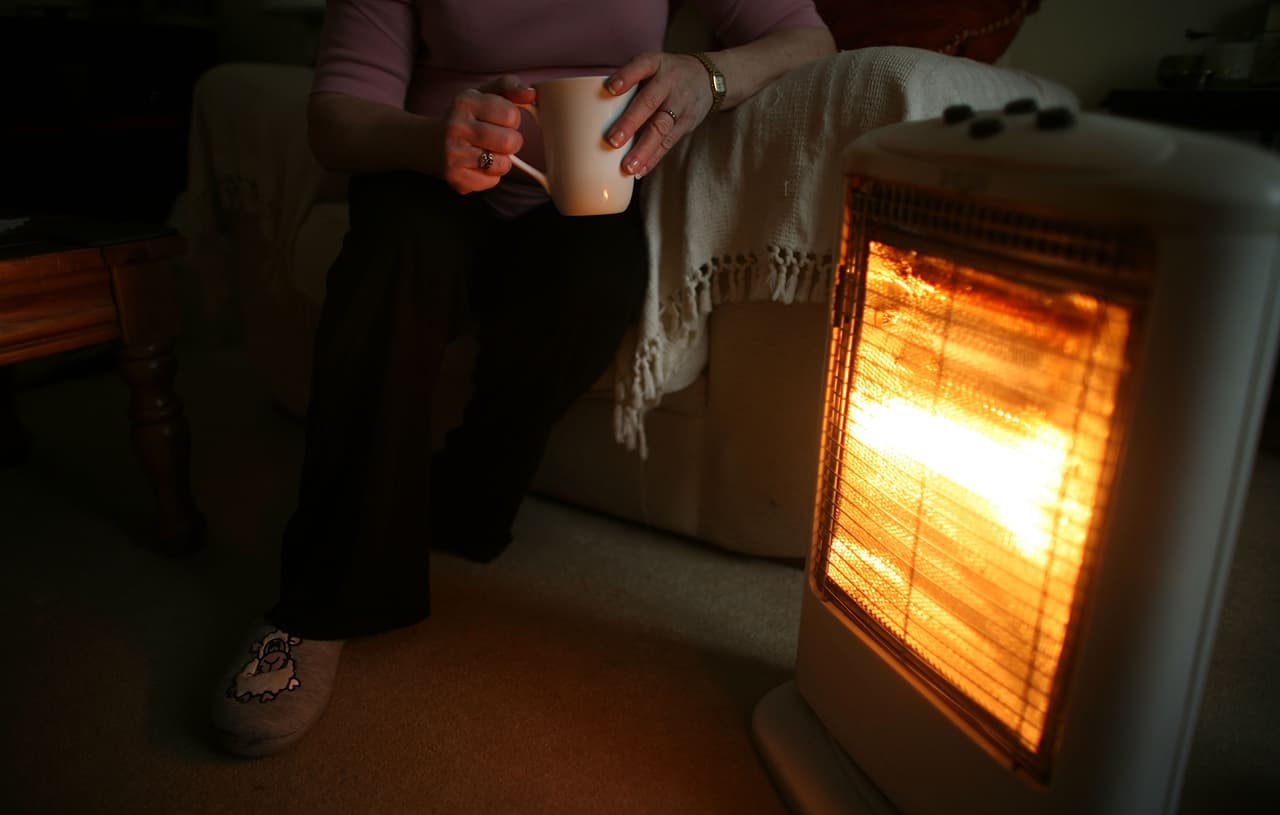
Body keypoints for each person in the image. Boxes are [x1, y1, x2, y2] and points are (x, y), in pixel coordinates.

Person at [211, 0, 835, 757]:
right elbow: (336, 115)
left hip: (582, 187)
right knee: (395, 257)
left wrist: (709, 76)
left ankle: (465, 493)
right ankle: (318, 602)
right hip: (426, 173)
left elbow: (807, 39)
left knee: (599, 281)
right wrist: (430, 139)